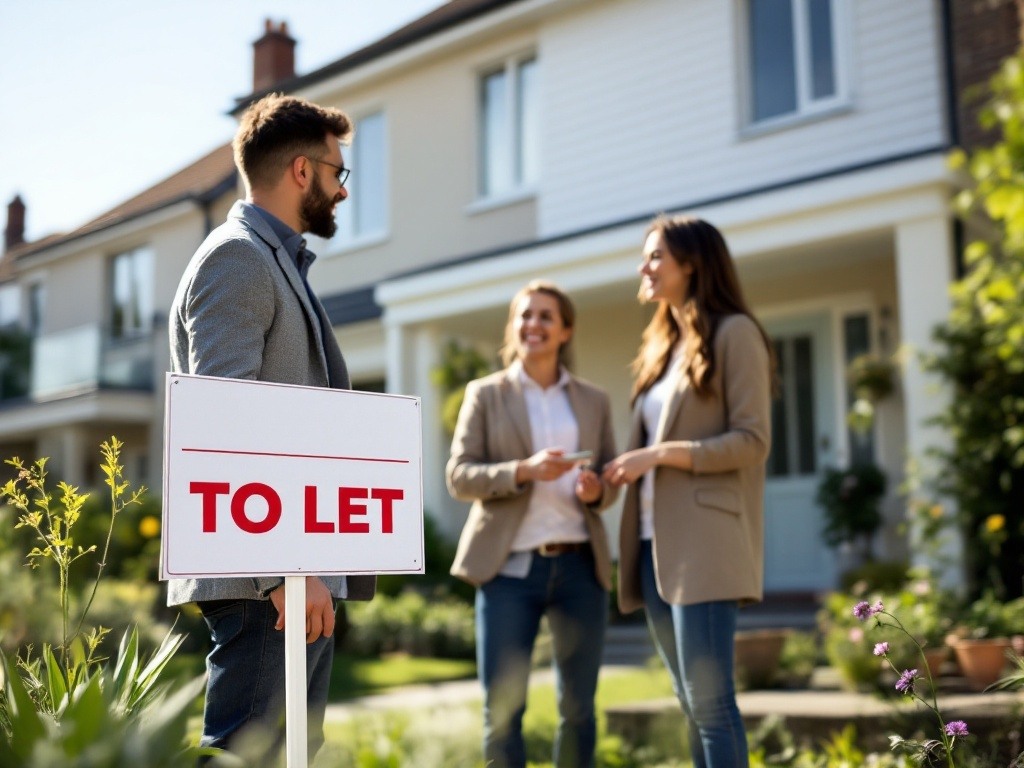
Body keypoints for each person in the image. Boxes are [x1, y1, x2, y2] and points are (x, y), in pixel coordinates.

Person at [167, 93, 376, 762]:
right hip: (268, 584)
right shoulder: (238, 259)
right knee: (246, 756)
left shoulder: (273, 260)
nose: (342, 190)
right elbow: (224, 424)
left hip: (292, 577)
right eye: (337, 172)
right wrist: (285, 570)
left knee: (296, 756)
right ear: (300, 170)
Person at [603, 215, 774, 768]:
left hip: (706, 543)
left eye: (656, 256)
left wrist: (660, 454)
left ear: (692, 263)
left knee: (711, 701)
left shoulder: (735, 333)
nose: (644, 267)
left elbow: (752, 441)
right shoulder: (662, 347)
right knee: (690, 702)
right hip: (654, 543)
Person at [446, 280, 619, 768]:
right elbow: (459, 476)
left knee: (579, 710)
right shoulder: (485, 395)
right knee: (502, 711)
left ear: (565, 330)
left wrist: (597, 490)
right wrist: (523, 469)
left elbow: (607, 476)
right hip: (509, 573)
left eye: (545, 316)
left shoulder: (593, 399)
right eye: (525, 315)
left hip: (580, 569)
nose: (533, 324)